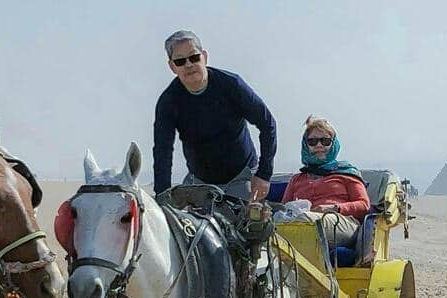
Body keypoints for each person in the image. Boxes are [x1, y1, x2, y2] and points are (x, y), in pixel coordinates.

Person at [152, 30, 277, 202]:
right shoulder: (168, 102)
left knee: (249, 224)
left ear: (204, 57)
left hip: (242, 176)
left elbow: (267, 124)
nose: (188, 65)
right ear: (172, 67)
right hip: (200, 182)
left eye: (194, 57)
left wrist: (264, 174)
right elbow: (162, 151)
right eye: (180, 61)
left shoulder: (231, 85)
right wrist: (162, 195)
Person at [281, 116, 371, 251]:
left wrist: (333, 208)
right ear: (306, 145)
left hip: (340, 222)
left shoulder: (346, 173)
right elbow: (283, 207)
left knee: (304, 220)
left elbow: (364, 205)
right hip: (301, 221)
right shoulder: (297, 179)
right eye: (312, 141)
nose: (319, 145)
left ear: (333, 143)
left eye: (325, 141)